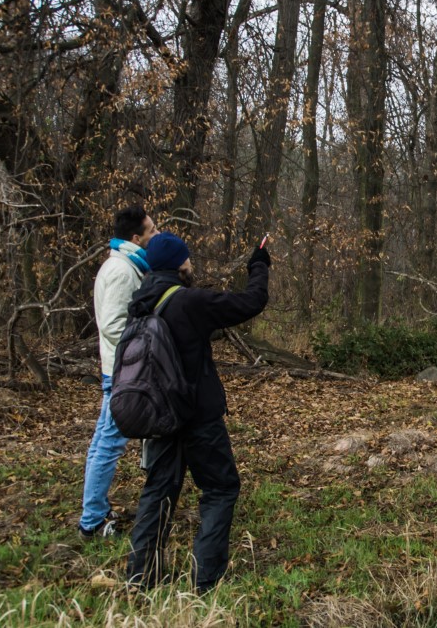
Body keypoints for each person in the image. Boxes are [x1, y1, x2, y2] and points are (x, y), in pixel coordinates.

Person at [126, 232, 270, 593]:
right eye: (187, 259)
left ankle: (139, 579)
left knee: (158, 493)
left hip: (158, 417)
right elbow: (251, 302)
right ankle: (205, 582)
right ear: (178, 263)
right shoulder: (189, 301)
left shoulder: (141, 301)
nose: (191, 264)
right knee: (220, 489)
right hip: (197, 419)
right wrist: (259, 264)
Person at [79, 205, 158, 539]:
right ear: (136, 237)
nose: (156, 234)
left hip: (121, 366)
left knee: (104, 440)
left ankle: (94, 508)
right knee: (110, 442)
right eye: (152, 230)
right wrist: (148, 339)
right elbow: (112, 324)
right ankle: (92, 521)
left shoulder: (126, 265)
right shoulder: (122, 271)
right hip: (123, 370)